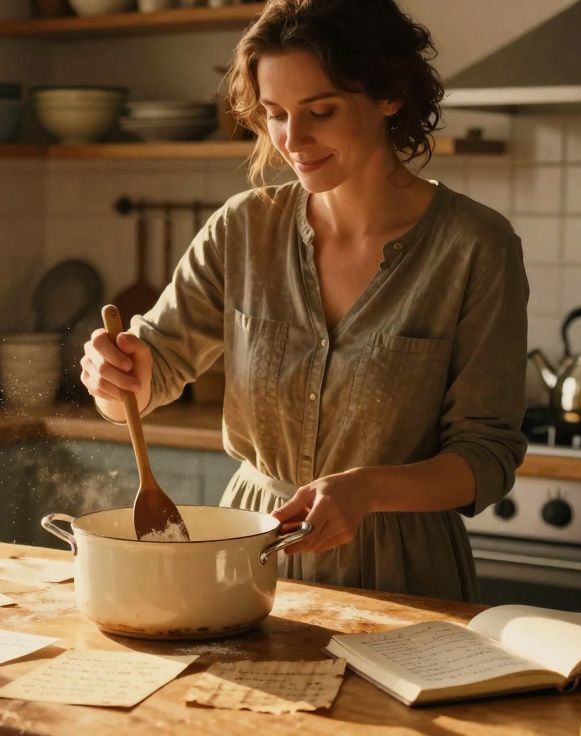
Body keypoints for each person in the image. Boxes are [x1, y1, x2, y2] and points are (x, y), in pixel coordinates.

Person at [79, 0, 527, 602]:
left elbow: (487, 457)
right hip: (250, 562)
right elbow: (149, 373)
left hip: (405, 579)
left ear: (390, 94)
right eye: (275, 114)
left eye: (321, 111)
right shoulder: (243, 229)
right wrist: (116, 378)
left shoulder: (476, 247)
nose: (293, 139)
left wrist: (367, 491)